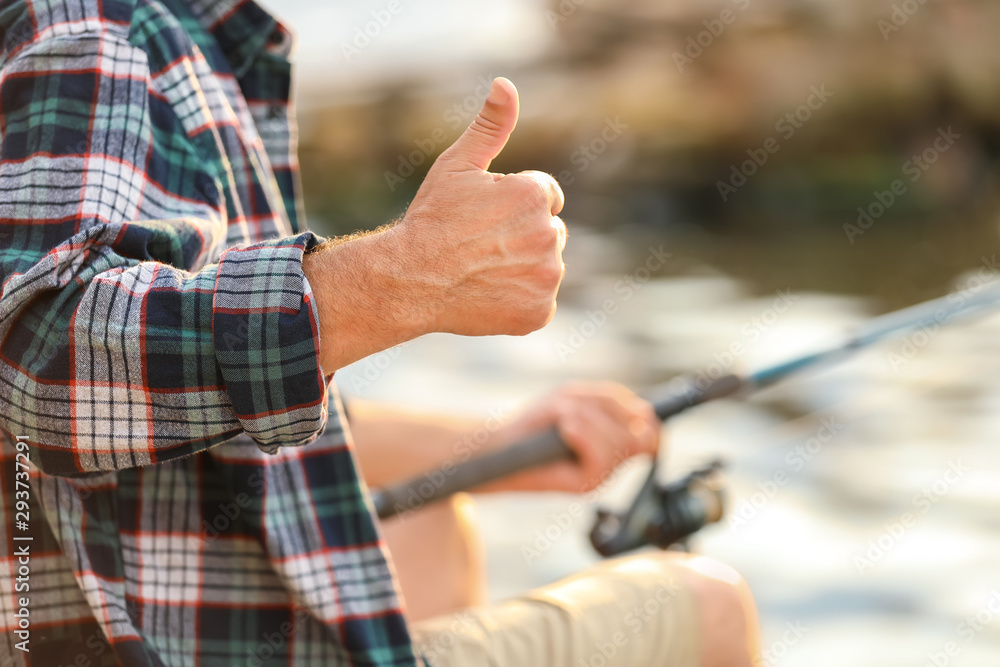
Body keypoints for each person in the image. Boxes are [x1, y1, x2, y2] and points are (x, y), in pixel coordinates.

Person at [0, 1, 759, 665]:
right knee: (710, 604)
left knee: (429, 527)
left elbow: (195, 410)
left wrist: (505, 446)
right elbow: (42, 354)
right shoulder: (96, 22)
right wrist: (407, 274)